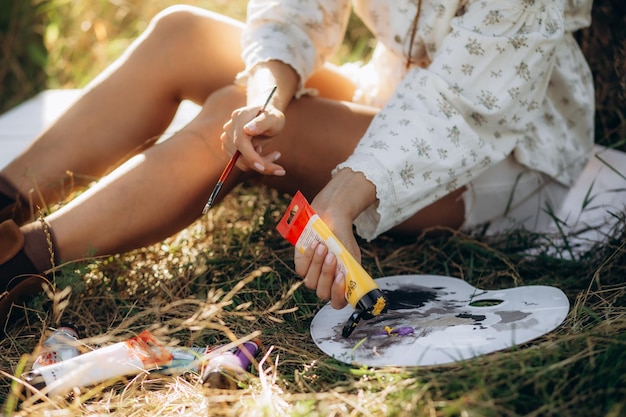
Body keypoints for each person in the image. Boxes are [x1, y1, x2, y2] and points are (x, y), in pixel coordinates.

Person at [0, 0, 594, 329]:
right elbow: (293, 13)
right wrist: (268, 99)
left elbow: (457, 108)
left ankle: (18, 265)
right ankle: (4, 200)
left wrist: (339, 198)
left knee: (224, 117)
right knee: (182, 33)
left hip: (498, 151)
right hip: (397, 91)